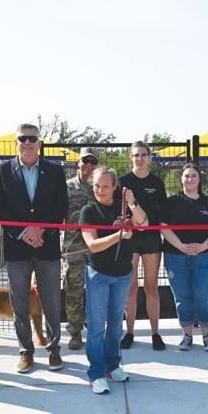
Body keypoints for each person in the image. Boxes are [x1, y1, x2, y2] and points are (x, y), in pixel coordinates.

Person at [0, 123, 68, 374]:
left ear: (39, 142)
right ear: (16, 142)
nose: (27, 143)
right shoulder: (2, 171)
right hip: (17, 247)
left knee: (51, 300)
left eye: (32, 138)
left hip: (47, 246)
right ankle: (25, 351)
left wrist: (41, 230)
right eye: (22, 139)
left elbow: (61, 206)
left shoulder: (55, 171)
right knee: (19, 302)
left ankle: (54, 349)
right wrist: (24, 232)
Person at [80, 167, 147, 394]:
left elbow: (144, 224)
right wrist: (118, 235)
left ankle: (112, 365)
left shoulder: (123, 206)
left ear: (114, 186)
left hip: (122, 274)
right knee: (97, 326)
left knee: (116, 325)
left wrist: (132, 203)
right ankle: (97, 373)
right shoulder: (88, 211)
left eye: (105, 186)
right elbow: (92, 245)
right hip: (98, 274)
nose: (101, 190)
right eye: (97, 186)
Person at [160, 162, 208, 351]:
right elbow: (164, 227)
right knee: (182, 297)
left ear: (199, 179)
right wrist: (181, 246)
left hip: (205, 257)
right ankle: (187, 335)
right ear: (181, 179)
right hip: (176, 257)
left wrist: (203, 246)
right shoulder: (171, 203)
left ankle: (207, 336)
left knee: (204, 297)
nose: (190, 179)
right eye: (186, 176)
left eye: (194, 176)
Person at [119, 142, 168, 350]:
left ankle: (155, 333)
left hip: (151, 239)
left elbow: (163, 212)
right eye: (136, 155)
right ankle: (129, 333)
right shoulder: (123, 182)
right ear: (131, 157)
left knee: (151, 288)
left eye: (143, 155)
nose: (139, 158)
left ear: (149, 157)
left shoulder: (157, 183)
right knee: (130, 288)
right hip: (130, 239)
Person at [62, 147, 99, 350]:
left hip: (97, 248)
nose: (89, 166)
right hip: (74, 247)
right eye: (85, 161)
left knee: (97, 291)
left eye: (93, 162)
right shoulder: (66, 187)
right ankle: (75, 332)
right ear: (78, 163)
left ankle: (96, 329)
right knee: (73, 290)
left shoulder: (101, 187)